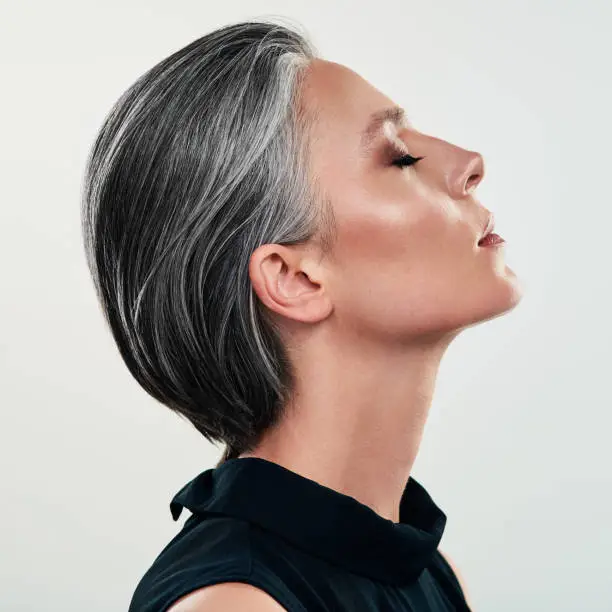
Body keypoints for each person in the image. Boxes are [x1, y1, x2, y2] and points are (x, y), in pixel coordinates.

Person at [81, 17, 523, 612]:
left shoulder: (427, 572)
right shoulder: (238, 603)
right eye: (398, 158)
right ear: (294, 278)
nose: (470, 163)